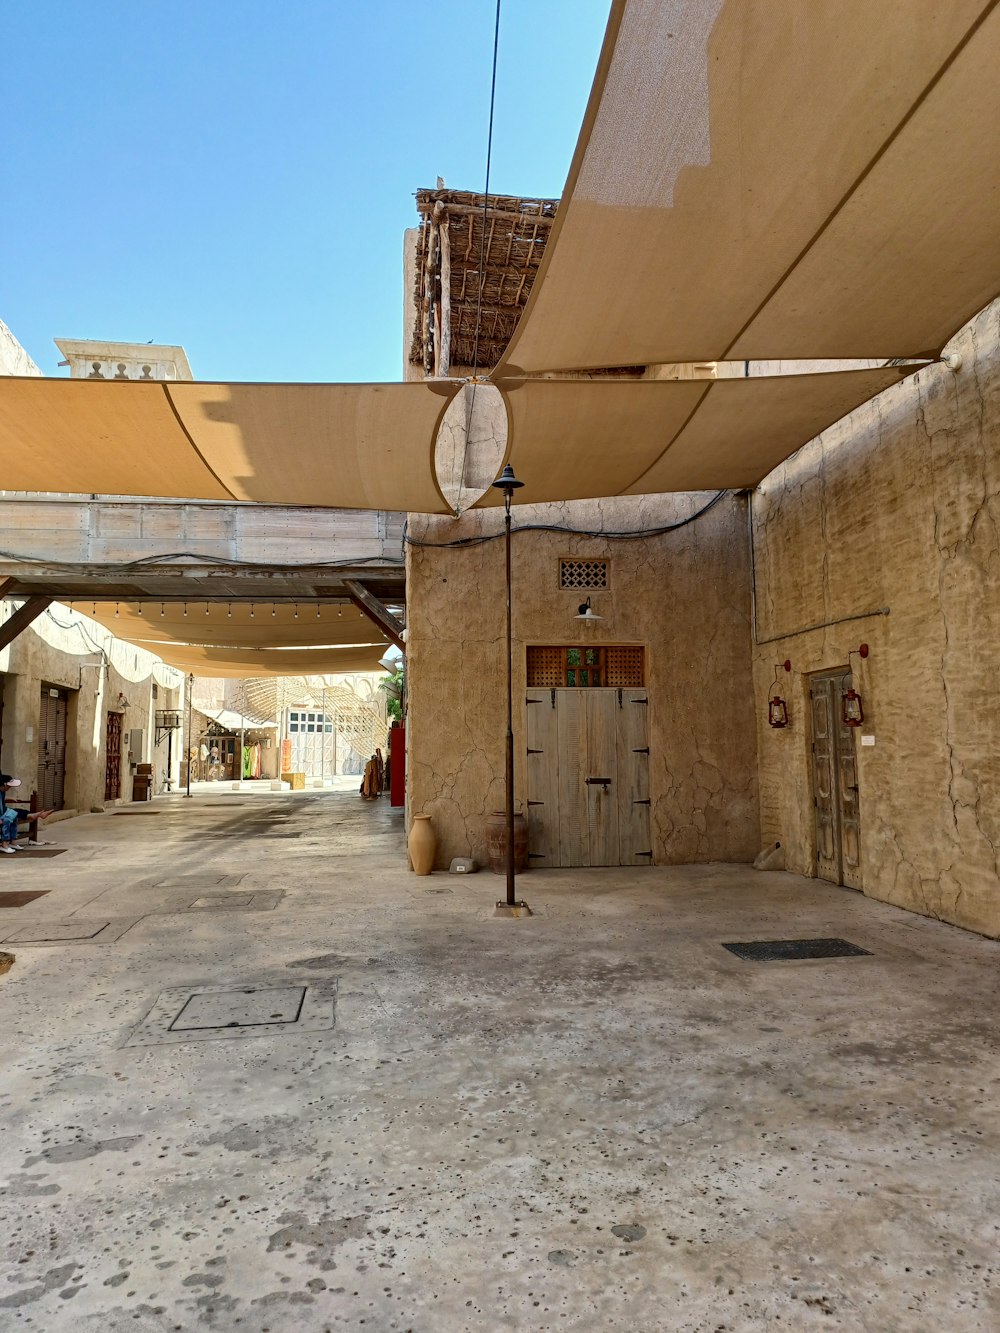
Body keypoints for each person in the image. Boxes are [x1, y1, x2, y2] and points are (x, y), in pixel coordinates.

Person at [0, 776, 52, 852]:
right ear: (4, 785)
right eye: (9, 786)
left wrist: (10, 798)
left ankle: (12, 842)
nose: (9, 788)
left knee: (14, 815)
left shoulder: (2, 791)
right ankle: (4, 844)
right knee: (8, 819)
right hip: (2, 814)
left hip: (3, 811)